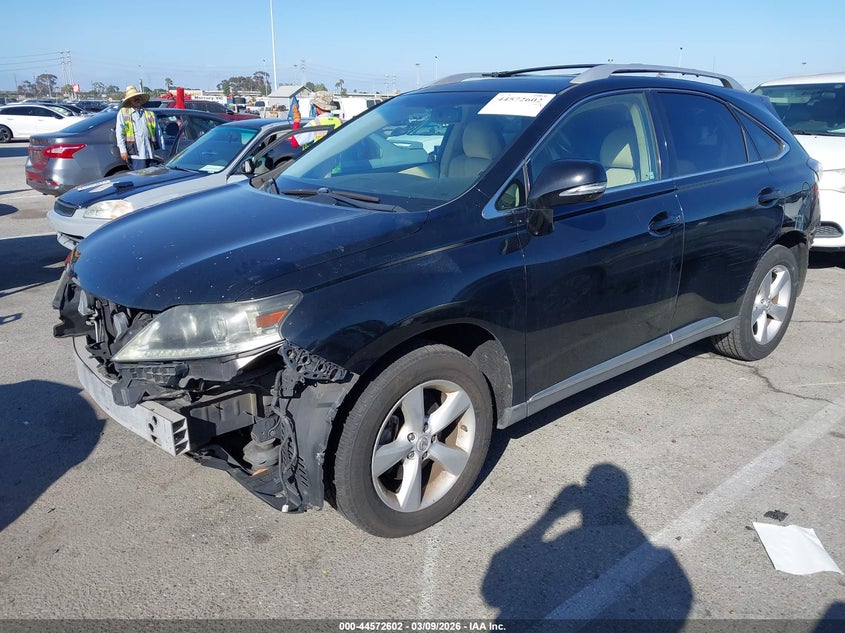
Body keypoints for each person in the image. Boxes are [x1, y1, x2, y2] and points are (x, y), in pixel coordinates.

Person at [116, 85, 159, 170]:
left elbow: (158, 133)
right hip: (136, 154)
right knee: (140, 179)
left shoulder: (149, 113)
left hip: (151, 153)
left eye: (137, 96)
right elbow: (119, 132)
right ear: (129, 100)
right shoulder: (124, 113)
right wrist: (123, 150)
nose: (136, 98)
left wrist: (162, 149)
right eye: (133, 97)